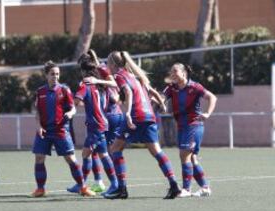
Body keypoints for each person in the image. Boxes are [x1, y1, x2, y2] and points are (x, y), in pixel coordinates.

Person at [103, 51, 181, 200]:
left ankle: (121, 188)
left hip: (136, 116)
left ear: (112, 64)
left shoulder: (120, 75)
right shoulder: (135, 76)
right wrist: (162, 105)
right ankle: (174, 185)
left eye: (107, 63)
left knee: (115, 149)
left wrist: (128, 113)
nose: (107, 66)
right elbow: (152, 91)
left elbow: (128, 92)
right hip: (149, 116)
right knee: (157, 152)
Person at [31, 61, 95, 197]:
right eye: (52, 74)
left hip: (61, 130)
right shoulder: (40, 92)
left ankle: (82, 187)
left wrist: (70, 114)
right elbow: (37, 112)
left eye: (57, 74)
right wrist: (39, 127)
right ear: (46, 75)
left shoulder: (64, 90)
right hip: (44, 131)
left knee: (71, 159)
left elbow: (73, 108)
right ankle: (40, 189)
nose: (55, 76)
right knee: (39, 158)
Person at [66, 55, 119, 196]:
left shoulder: (86, 84)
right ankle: (114, 183)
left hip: (96, 125)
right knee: (103, 154)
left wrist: (67, 108)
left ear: (83, 71)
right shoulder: (100, 85)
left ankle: (81, 184)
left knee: (86, 154)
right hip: (102, 123)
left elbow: (75, 101)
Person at [163, 63, 217, 197]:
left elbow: (212, 97)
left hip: (194, 125)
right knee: (192, 158)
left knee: (184, 155)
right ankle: (205, 188)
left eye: (175, 71)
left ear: (184, 73)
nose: (173, 74)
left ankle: (186, 189)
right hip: (181, 127)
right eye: (171, 72)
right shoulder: (171, 88)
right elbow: (161, 97)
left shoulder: (195, 87)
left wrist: (207, 113)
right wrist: (154, 99)